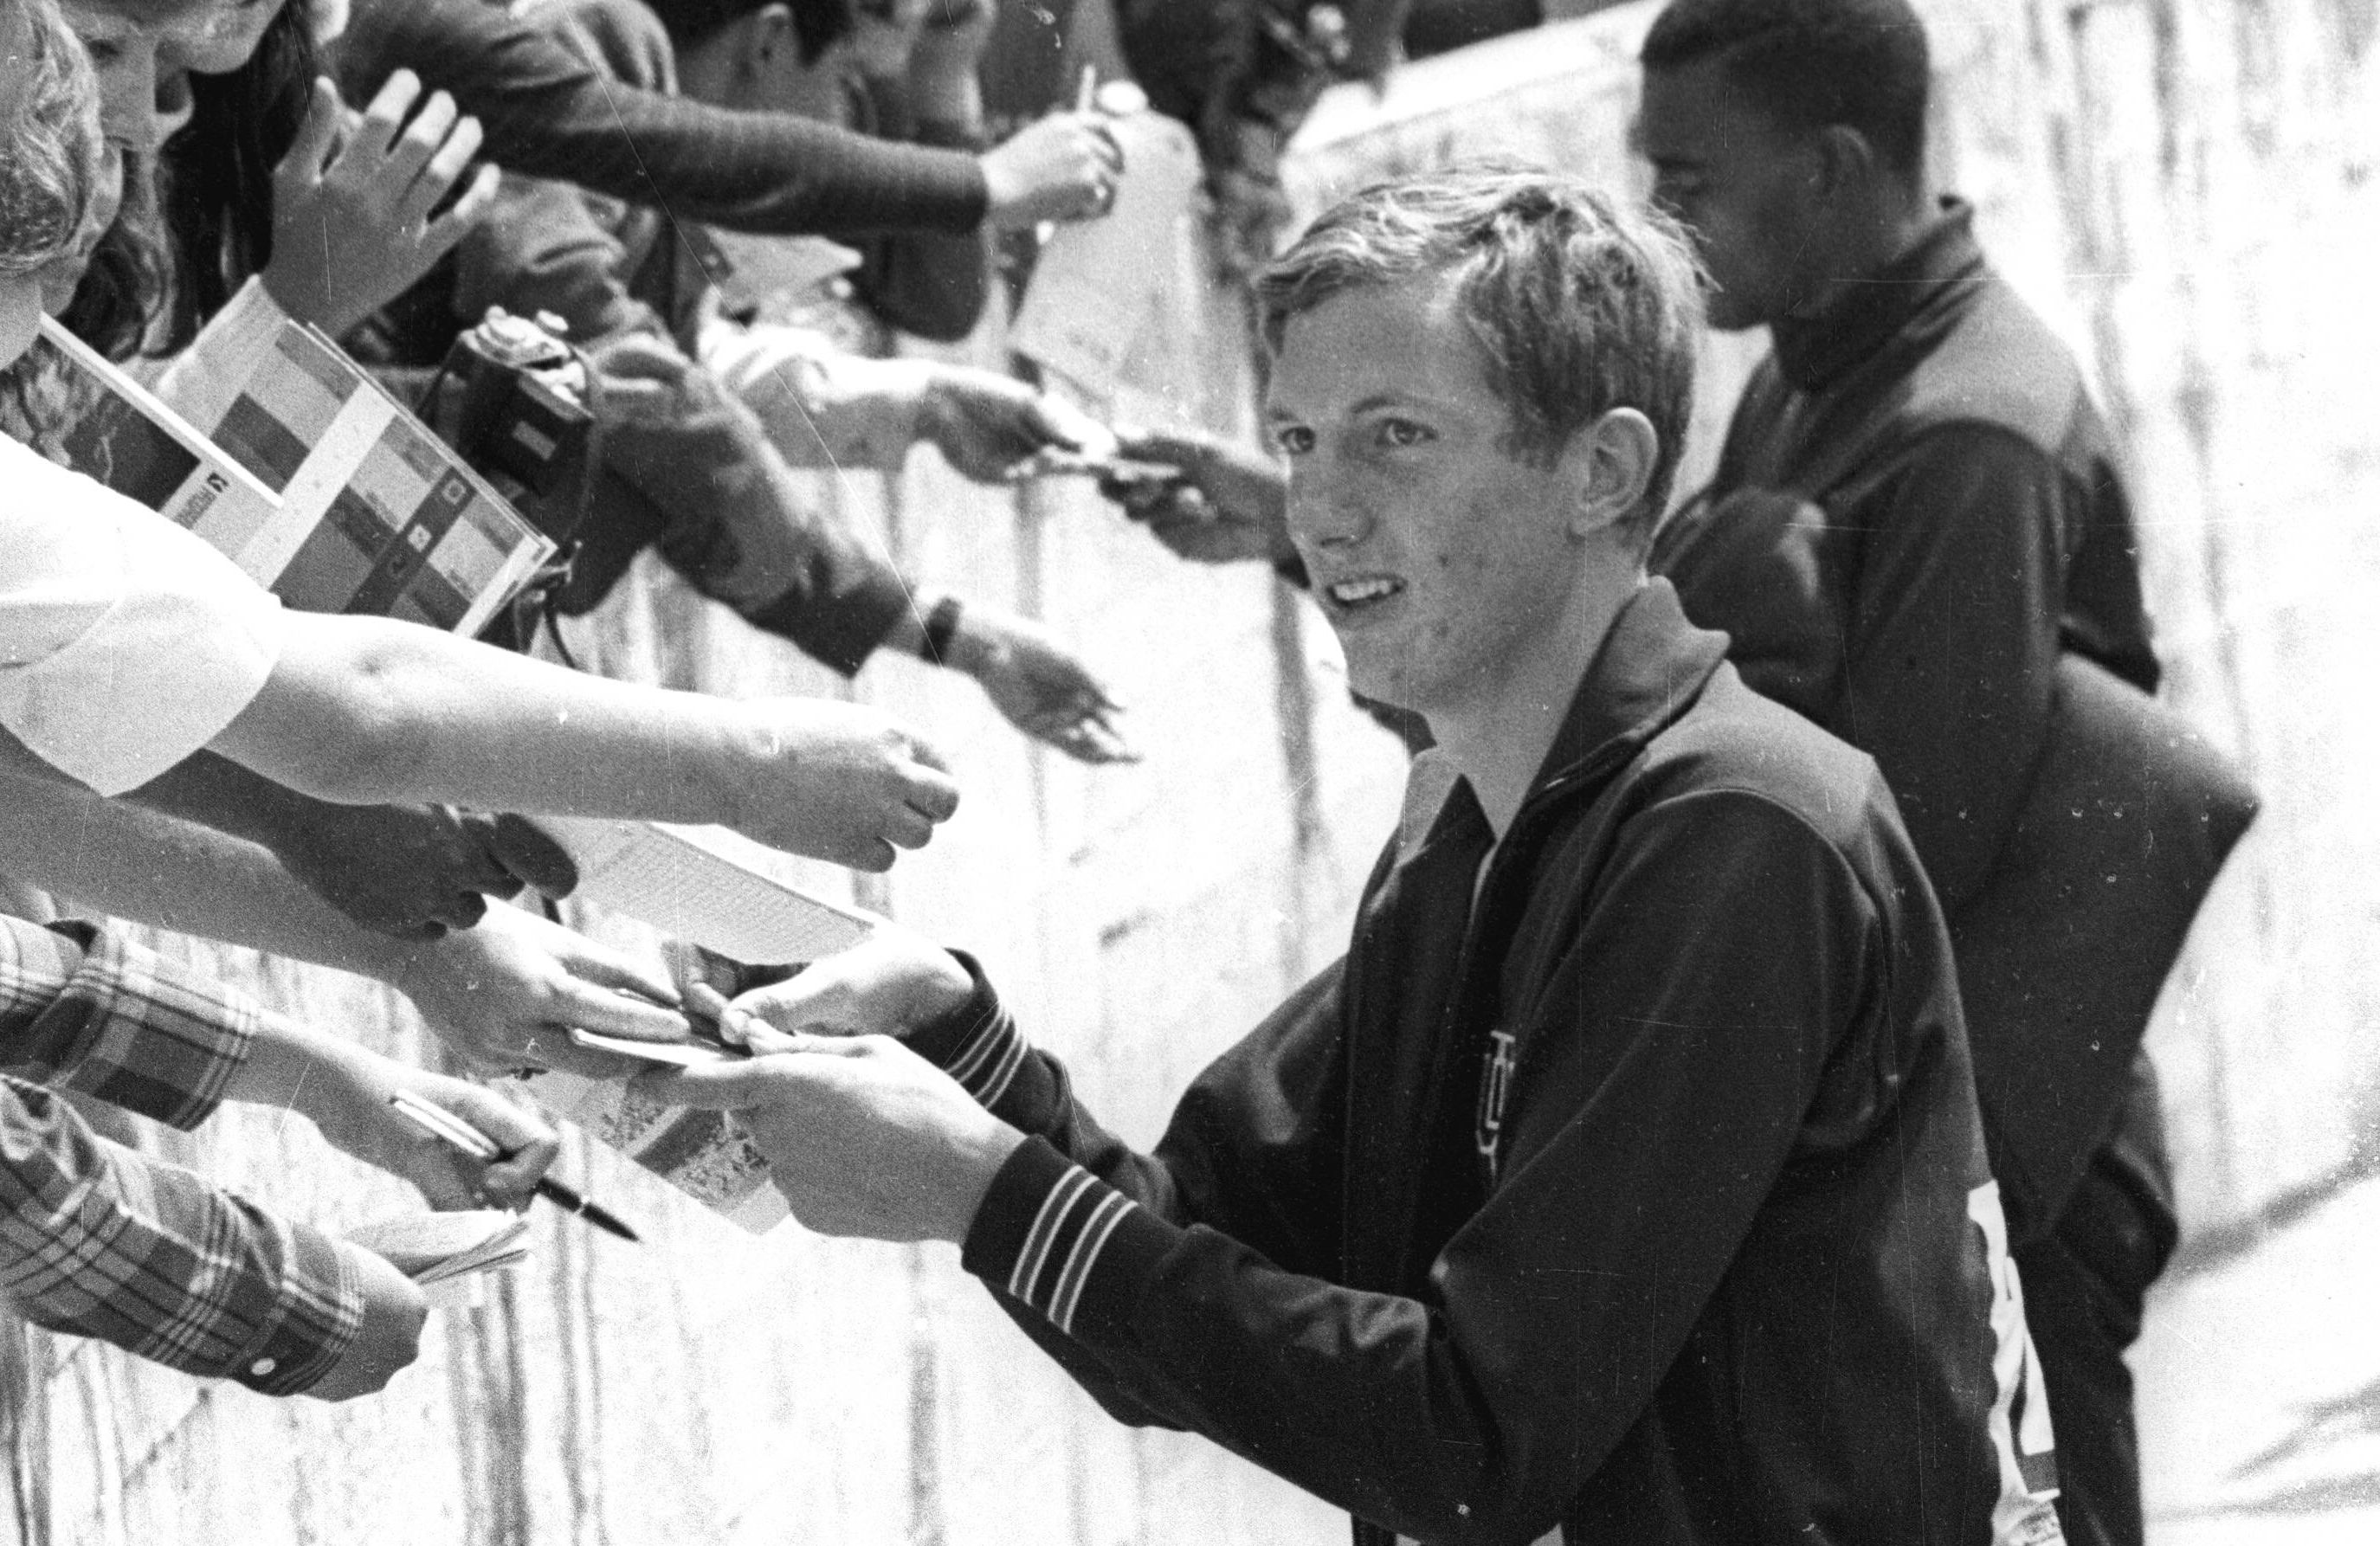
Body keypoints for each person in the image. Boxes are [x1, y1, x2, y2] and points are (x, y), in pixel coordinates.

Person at [646, 168, 2067, 1546]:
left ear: (1601, 468)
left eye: (1393, 435)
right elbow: (1197, 1257)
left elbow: (1470, 1439)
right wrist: (953, 1040)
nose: (1319, 510)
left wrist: (975, 1191)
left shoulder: (1735, 834)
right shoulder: (1464, 823)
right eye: (1297, 441)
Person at [1629, 5, 2231, 1543]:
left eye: (1688, 180)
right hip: (1894, 1157)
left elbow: (1908, 861)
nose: (1659, 220)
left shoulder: (1967, 434)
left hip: (2000, 1175)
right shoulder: (1803, 377)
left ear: (1826, 171)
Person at [339, 0, 1136, 765]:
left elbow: (682, 368)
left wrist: (918, 404)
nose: (838, 119)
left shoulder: (629, 71)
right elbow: (642, 391)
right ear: (768, 40)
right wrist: (950, 632)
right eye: (844, 82)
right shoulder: (591, 41)